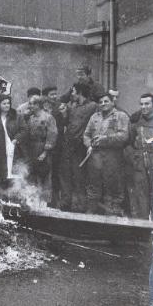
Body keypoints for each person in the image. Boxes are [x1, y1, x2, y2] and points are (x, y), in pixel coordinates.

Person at [83, 92, 130, 215]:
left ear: (113, 102)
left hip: (113, 158)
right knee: (93, 188)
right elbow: (86, 134)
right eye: (100, 102)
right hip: (95, 158)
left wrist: (105, 138)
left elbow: (124, 136)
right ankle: (91, 218)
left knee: (113, 188)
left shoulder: (121, 116)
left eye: (106, 101)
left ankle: (112, 217)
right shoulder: (94, 117)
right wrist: (88, 145)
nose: (103, 104)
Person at [58, 83, 97, 211]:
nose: (71, 94)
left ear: (80, 92)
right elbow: (65, 123)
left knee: (79, 176)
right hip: (67, 145)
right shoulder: (71, 106)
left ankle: (80, 206)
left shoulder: (92, 106)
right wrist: (64, 114)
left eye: (73, 92)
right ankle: (65, 203)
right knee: (65, 175)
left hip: (80, 147)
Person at [19, 95, 58, 203]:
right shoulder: (31, 118)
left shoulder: (48, 117)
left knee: (45, 175)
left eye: (32, 104)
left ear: (38, 105)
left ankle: (45, 201)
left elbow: (52, 135)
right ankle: (34, 199)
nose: (30, 106)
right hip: (32, 149)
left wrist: (45, 153)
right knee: (33, 175)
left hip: (43, 147)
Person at [127, 93, 153, 219]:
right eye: (142, 104)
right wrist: (135, 158)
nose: (143, 107)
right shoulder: (135, 120)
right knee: (141, 195)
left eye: (147, 104)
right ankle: (143, 228)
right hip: (140, 161)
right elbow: (129, 142)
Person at [0, 94, 26, 185]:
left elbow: (24, 129)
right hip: (0, 149)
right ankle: (3, 194)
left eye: (8, 103)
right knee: (2, 173)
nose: (7, 105)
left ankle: (15, 194)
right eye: (4, 103)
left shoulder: (17, 116)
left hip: (15, 148)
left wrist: (16, 139)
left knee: (15, 171)